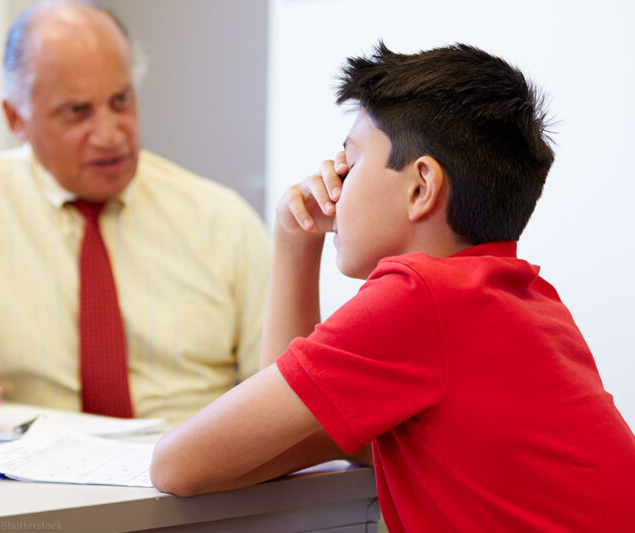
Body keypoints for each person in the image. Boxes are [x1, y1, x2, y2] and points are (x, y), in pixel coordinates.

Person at [150, 42, 635, 532]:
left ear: (421, 186)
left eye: (351, 159)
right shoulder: (524, 298)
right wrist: (297, 239)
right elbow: (285, 438)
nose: (334, 179)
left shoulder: (418, 296)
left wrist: (291, 239)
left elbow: (177, 465)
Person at [0, 0, 269, 432]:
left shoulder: (223, 220)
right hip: (28, 478)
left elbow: (285, 386)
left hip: (193, 473)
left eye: (121, 101)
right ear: (16, 117)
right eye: (77, 112)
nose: (109, 135)